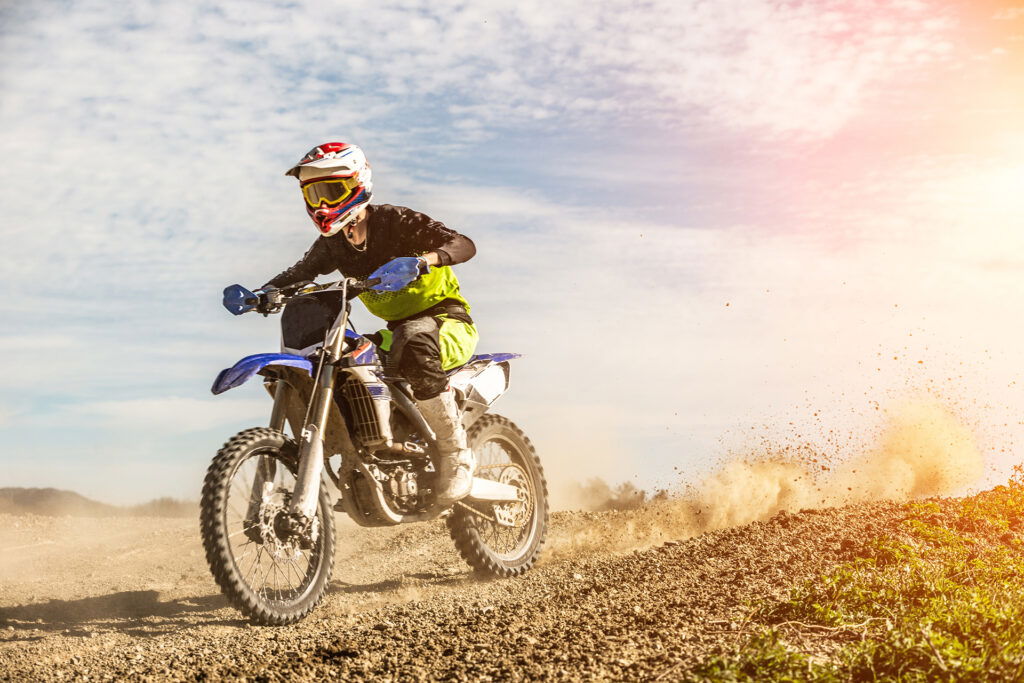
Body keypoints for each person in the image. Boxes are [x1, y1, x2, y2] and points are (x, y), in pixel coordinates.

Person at [261, 142, 478, 505]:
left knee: (415, 338)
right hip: (397, 334)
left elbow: (462, 243)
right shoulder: (333, 244)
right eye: (314, 193)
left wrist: (425, 261)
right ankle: (366, 457)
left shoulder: (394, 221)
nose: (323, 203)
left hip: (446, 322)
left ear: (358, 183)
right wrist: (262, 293)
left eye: (332, 190)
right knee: (349, 359)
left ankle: (456, 454)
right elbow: (300, 273)